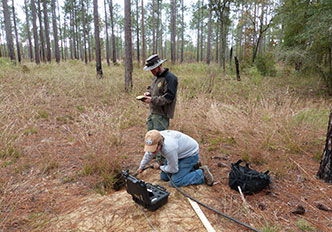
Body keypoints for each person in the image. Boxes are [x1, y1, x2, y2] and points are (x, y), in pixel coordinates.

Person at [137, 130, 214, 187]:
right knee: (164, 177)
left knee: (175, 182)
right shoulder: (155, 137)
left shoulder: (169, 149)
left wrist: (160, 167)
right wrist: (141, 167)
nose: (152, 152)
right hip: (178, 153)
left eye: (154, 149)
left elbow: (174, 169)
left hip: (190, 155)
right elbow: (148, 154)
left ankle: (201, 173)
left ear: (161, 143)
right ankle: (191, 167)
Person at [142, 54, 178, 131]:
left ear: (160, 65)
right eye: (150, 69)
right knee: (150, 138)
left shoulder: (170, 78)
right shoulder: (156, 76)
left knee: (159, 140)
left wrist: (151, 100)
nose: (152, 71)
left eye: (153, 69)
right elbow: (152, 88)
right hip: (152, 112)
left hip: (162, 115)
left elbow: (168, 98)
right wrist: (148, 93)